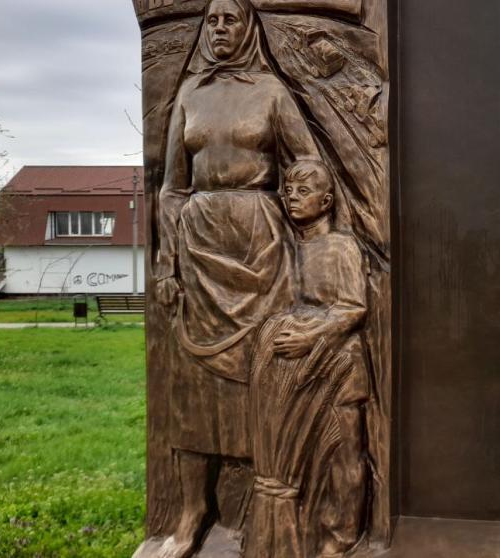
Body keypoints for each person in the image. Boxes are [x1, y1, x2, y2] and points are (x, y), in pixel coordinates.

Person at [153, 0, 321, 555]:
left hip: (260, 244)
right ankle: (190, 512)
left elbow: (308, 168)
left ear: (248, 28)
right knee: (193, 384)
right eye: (212, 20)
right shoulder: (190, 95)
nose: (220, 28)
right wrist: (167, 260)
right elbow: (173, 186)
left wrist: (316, 244)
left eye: (230, 19)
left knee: (258, 378)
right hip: (200, 245)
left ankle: (254, 509)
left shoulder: (272, 93)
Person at [247, 160, 371, 558]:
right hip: (292, 374)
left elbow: (353, 308)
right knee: (306, 454)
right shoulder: (286, 250)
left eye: (302, 192)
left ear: (327, 200)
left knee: (343, 452)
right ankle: (298, 527)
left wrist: (310, 335)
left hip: (339, 366)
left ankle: (343, 533)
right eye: (288, 191)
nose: (291, 198)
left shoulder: (342, 246)